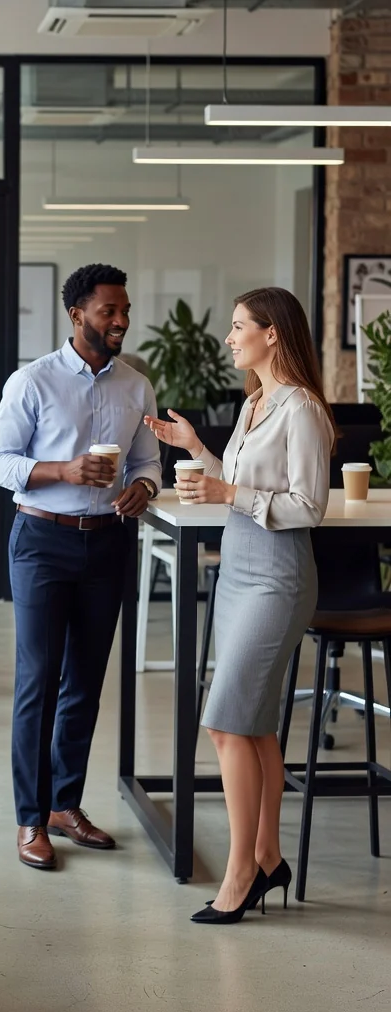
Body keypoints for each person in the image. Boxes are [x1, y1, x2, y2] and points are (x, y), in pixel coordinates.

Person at [145, 287, 335, 923]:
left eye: (238, 327)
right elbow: (239, 480)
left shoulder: (301, 408)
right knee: (251, 725)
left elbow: (309, 507)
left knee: (226, 721)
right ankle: (270, 858)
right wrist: (196, 448)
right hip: (238, 574)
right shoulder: (257, 402)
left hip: (278, 578)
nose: (229, 338)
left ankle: (241, 872)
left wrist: (229, 490)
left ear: (271, 334)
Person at [0, 263, 161, 871]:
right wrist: (63, 470)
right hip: (41, 540)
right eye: (109, 311)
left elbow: (148, 461)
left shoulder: (136, 386)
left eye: (125, 310)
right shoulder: (32, 382)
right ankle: (30, 819)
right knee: (39, 679)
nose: (121, 321)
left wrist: (144, 487)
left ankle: (65, 804)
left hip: (107, 542)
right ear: (77, 314)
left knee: (85, 681)